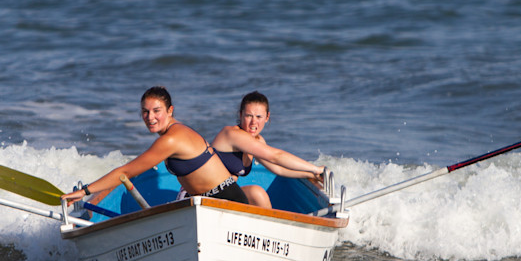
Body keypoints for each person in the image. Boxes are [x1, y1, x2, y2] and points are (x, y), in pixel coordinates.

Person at [61, 86, 249, 206]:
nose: (150, 117)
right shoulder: (174, 132)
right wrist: (97, 195)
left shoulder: (171, 139)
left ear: (170, 110)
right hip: (207, 202)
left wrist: (84, 191)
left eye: (156, 111)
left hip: (228, 202)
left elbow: (125, 172)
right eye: (145, 111)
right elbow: (131, 171)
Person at [210, 91, 325, 208]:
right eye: (249, 116)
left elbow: (278, 169)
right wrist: (315, 169)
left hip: (226, 194)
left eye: (258, 117)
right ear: (240, 115)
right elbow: (276, 156)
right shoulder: (231, 134)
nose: (253, 122)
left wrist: (309, 174)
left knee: (256, 193)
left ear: (267, 117)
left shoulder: (257, 141)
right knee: (257, 194)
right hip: (206, 194)